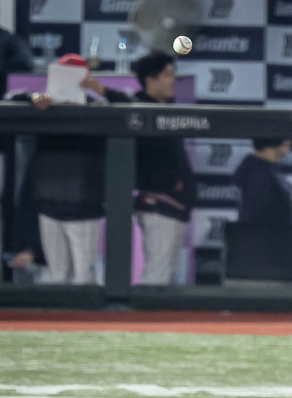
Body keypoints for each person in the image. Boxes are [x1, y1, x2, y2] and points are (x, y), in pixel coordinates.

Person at [92, 51, 196, 285]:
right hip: (158, 203)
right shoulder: (138, 109)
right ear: (151, 80)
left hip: (175, 203)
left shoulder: (168, 108)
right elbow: (130, 105)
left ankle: (154, 318)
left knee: (164, 271)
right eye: (168, 75)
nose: (173, 81)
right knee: (156, 273)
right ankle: (143, 319)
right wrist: (106, 91)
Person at [8, 54, 107, 284]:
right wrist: (34, 98)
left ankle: (88, 322)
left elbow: (126, 111)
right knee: (55, 277)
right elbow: (12, 99)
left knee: (84, 279)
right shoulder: (44, 106)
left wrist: (100, 91)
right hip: (48, 205)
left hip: (84, 208)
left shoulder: (96, 110)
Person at [235, 139, 292, 225]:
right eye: (287, 145)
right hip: (265, 233)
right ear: (273, 145)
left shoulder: (268, 170)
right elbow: (261, 211)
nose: (289, 150)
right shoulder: (257, 173)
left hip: (274, 233)